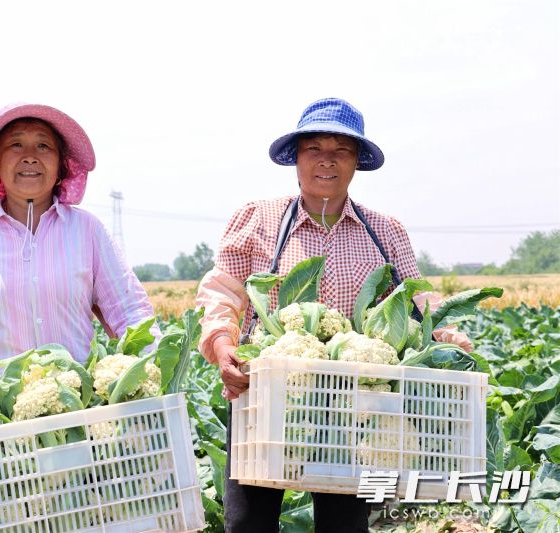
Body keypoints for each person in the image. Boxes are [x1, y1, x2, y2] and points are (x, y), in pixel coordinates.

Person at [195, 98, 472, 532]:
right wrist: (222, 342)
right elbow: (222, 291)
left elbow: (420, 303)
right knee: (249, 522)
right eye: (314, 149)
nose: (327, 161)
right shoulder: (258, 219)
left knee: (344, 525)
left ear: (357, 161)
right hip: (266, 397)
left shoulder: (385, 231)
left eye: (341, 150)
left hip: (353, 409)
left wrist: (448, 336)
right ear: (297, 159)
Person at [0, 103, 156, 404]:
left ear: (61, 165)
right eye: (15, 144)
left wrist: (152, 362)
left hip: (76, 408)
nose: (30, 156)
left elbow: (128, 309)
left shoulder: (87, 230)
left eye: (43, 145)